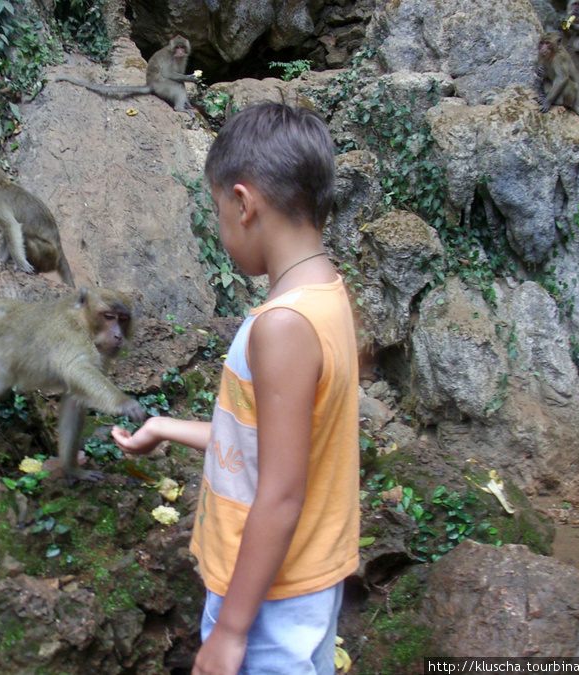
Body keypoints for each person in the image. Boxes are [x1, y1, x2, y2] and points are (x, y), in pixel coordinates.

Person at [111, 102, 359, 675]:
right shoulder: (326, 298)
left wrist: (229, 631)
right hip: (298, 586)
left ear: (244, 204)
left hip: (269, 599)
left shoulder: (283, 327)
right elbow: (273, 444)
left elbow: (281, 493)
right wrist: (165, 428)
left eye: (219, 210)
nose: (222, 230)